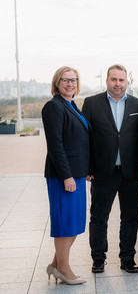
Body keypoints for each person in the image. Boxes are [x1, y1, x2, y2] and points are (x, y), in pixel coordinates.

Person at [82, 64, 138, 274]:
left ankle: (127, 258)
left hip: (131, 171)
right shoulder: (91, 104)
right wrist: (88, 167)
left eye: (121, 80)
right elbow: (86, 140)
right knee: (99, 217)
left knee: (130, 217)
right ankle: (98, 259)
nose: (117, 84)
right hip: (102, 171)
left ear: (127, 81)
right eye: (114, 80)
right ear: (107, 81)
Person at [42, 66, 89, 285]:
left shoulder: (71, 105)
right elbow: (55, 145)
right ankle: (64, 268)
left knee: (75, 223)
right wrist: (66, 176)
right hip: (64, 177)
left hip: (76, 174)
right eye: (65, 80)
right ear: (57, 83)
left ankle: (55, 265)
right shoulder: (54, 107)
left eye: (73, 80)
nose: (70, 84)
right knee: (65, 224)